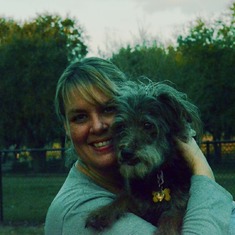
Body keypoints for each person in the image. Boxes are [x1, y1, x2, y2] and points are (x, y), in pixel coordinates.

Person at [45, 57, 235, 235]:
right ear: (67, 129)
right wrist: (202, 171)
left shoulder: (141, 179)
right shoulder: (77, 212)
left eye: (109, 109)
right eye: (80, 117)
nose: (98, 126)